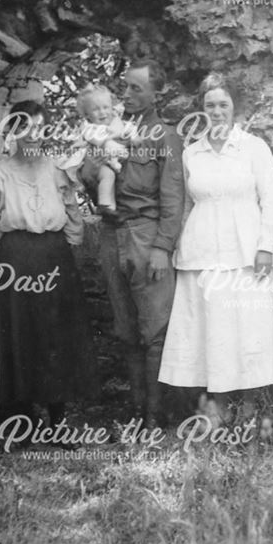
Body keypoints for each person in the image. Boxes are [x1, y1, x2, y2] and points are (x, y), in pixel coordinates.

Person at [158, 72, 273, 408]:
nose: (216, 111)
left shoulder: (254, 148)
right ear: (201, 109)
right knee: (210, 329)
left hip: (246, 252)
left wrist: (264, 246)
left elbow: (270, 200)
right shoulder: (191, 153)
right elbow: (186, 204)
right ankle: (216, 406)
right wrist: (179, 249)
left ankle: (253, 406)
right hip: (202, 252)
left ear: (234, 108)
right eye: (209, 105)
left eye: (223, 104)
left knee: (247, 325)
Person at [78, 60, 185, 427]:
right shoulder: (109, 132)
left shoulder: (165, 137)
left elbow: (173, 198)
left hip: (146, 236)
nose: (127, 94)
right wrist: (97, 157)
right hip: (112, 236)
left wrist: (162, 248)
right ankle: (137, 410)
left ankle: (156, 413)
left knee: (154, 330)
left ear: (157, 93)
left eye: (136, 88)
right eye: (125, 87)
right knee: (125, 330)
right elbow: (88, 182)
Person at [0, 100, 98, 430]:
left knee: (55, 334)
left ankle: (57, 420)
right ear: (12, 132)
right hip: (15, 257)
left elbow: (72, 212)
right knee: (19, 334)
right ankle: (21, 420)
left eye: (37, 128)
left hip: (52, 255)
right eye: (23, 128)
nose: (31, 135)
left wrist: (65, 249)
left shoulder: (56, 170)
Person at [67, 84, 136, 213]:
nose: (102, 112)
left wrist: (134, 136)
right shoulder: (89, 127)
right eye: (96, 109)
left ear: (112, 107)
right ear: (87, 115)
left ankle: (113, 208)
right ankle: (106, 206)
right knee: (107, 176)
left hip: (113, 162)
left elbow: (128, 131)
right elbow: (94, 137)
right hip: (95, 165)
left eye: (106, 107)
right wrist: (106, 143)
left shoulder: (117, 122)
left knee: (114, 178)